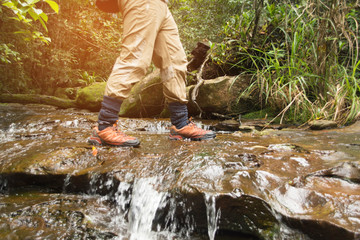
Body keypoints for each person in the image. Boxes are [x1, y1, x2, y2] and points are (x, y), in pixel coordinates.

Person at [88, 0, 216, 147]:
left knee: (175, 62)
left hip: (162, 6)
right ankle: (105, 125)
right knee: (135, 58)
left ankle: (180, 123)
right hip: (144, 3)